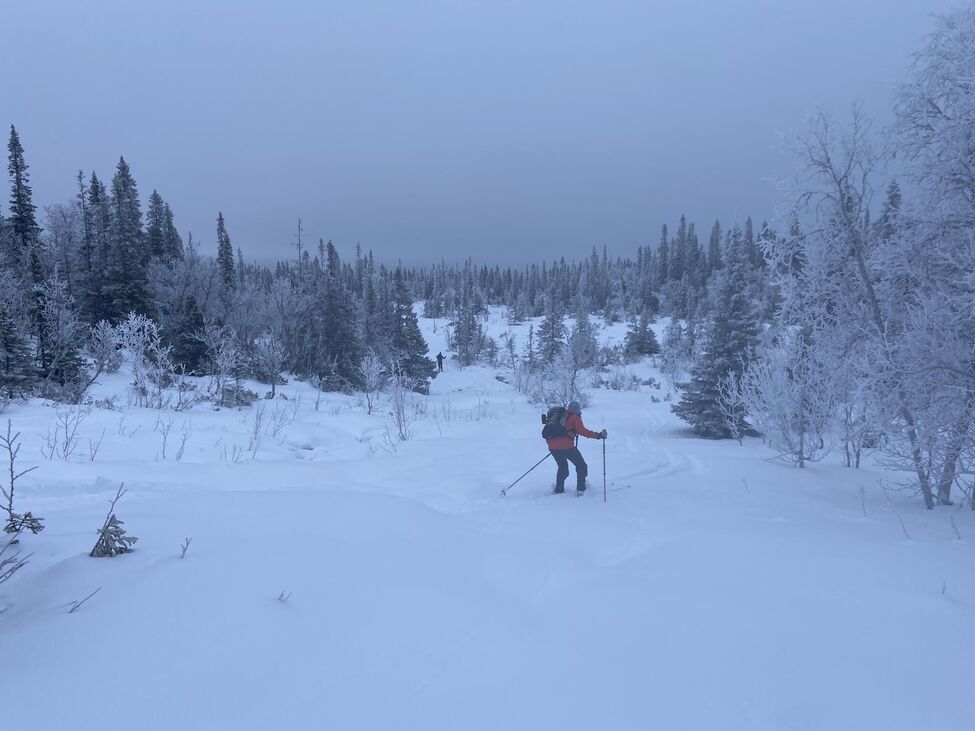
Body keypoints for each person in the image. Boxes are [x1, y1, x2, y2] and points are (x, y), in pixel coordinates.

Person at [545, 400, 606, 494]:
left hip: (552, 446)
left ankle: (559, 489)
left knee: (563, 468)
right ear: (578, 410)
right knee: (581, 466)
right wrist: (598, 435)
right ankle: (581, 489)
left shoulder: (560, 416)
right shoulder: (575, 418)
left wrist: (555, 445)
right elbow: (583, 432)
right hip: (567, 447)